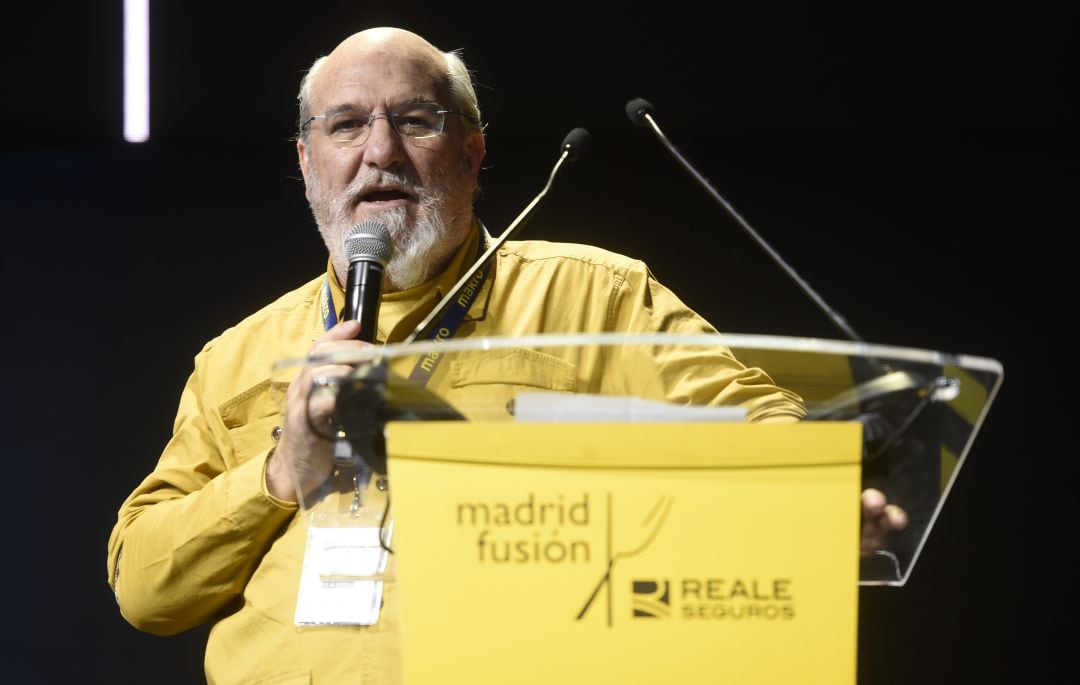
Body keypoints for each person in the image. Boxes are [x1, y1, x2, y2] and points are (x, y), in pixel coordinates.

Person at [107, 26, 907, 684]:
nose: (379, 149)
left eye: (417, 119)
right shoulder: (238, 355)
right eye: (346, 124)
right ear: (307, 162)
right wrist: (283, 470)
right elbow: (146, 589)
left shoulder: (596, 299)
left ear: (472, 152)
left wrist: (807, 492)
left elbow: (759, 424)